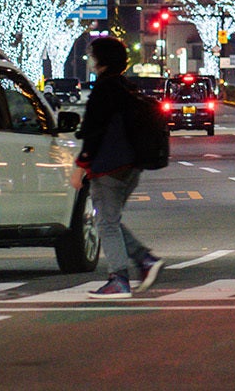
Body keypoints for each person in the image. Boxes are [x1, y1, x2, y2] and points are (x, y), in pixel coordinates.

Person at [70, 36, 163, 299]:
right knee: (108, 220)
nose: (90, 60)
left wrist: (81, 165)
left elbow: (94, 130)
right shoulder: (126, 87)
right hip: (131, 165)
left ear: (102, 60)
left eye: (93, 56)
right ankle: (144, 260)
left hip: (108, 166)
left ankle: (119, 279)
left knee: (106, 224)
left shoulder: (104, 90)